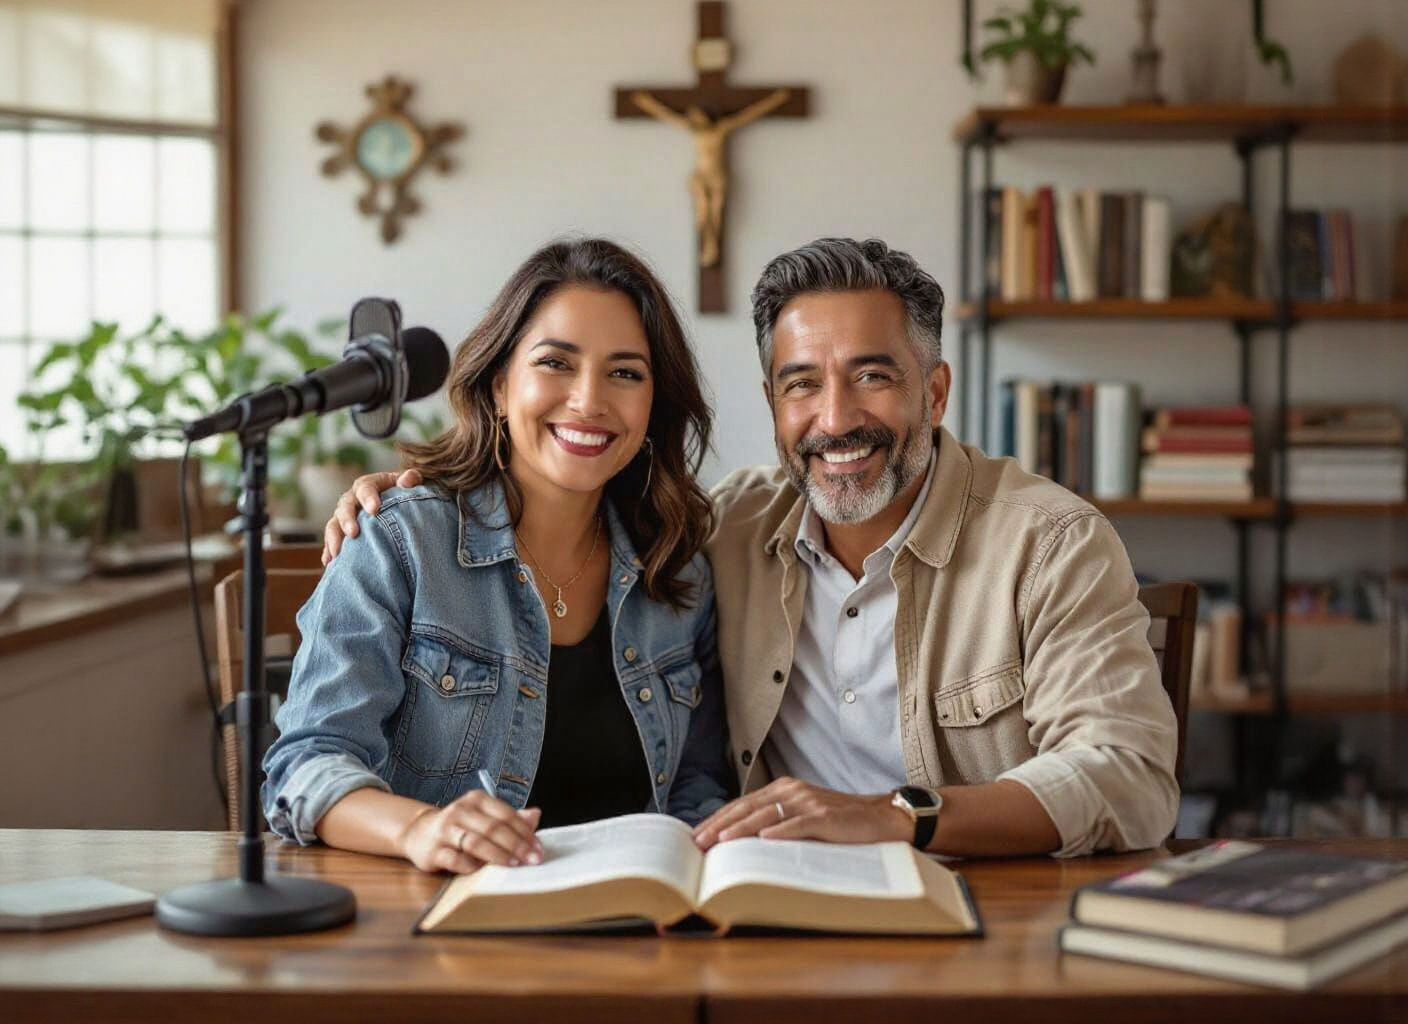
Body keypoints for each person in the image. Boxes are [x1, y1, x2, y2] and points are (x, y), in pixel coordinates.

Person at [325, 237, 1179, 860]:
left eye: (873, 375)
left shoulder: (1049, 541)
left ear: (937, 390)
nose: (836, 418)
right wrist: (401, 499)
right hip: (764, 912)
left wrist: (898, 815)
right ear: (772, 402)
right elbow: (313, 759)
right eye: (802, 384)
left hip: (984, 916)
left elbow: (1130, 778)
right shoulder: (718, 534)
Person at [263, 238, 733, 875]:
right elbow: (306, 765)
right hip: (440, 923)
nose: (589, 400)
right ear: (497, 385)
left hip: (640, 928)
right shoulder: (400, 543)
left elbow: (696, 787)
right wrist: (424, 829)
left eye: (625, 372)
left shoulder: (678, 574)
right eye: (556, 363)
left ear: (654, 408)